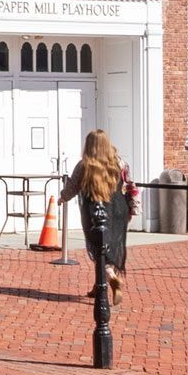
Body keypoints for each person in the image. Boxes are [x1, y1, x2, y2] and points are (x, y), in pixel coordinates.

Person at [68, 128, 134, 305]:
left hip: (95, 211)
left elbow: (72, 186)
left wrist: (62, 197)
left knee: (99, 248)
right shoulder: (119, 163)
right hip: (118, 210)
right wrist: (132, 208)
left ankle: (110, 277)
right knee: (110, 247)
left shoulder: (83, 165)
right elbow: (129, 185)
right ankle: (98, 286)